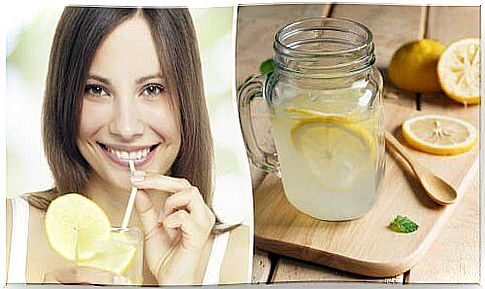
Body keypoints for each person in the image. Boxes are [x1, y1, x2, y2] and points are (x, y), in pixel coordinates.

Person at [6, 6, 250, 285]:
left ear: (187, 98)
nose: (126, 127)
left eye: (153, 89)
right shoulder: (9, 232)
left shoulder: (242, 257)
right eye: (97, 89)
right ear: (65, 97)